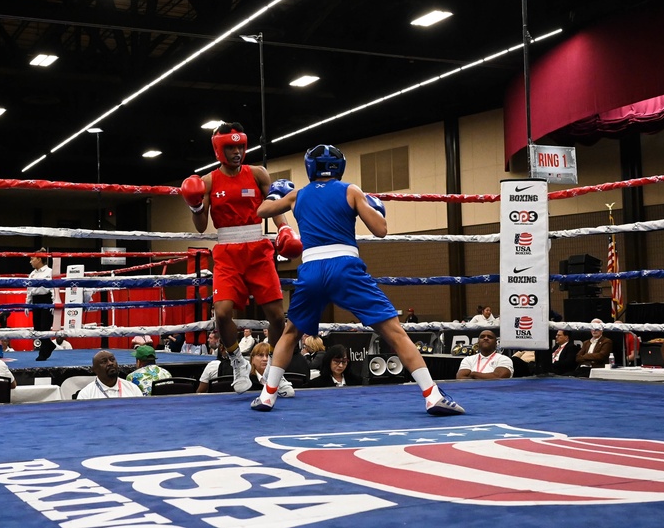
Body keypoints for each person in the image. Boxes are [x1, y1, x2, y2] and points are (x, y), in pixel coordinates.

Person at [252, 143, 464, 415]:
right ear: (340, 168)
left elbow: (261, 213)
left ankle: (267, 396)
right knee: (395, 333)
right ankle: (432, 395)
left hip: (312, 268)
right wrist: (374, 208)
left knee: (291, 333)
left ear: (309, 168)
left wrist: (274, 194)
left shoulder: (297, 195)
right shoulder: (351, 190)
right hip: (345, 267)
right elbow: (380, 230)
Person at [180, 122, 302, 393]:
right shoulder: (209, 181)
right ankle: (237, 360)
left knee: (277, 316)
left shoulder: (258, 173)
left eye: (240, 146)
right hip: (227, 250)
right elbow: (201, 226)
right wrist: (196, 204)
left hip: (258, 248)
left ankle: (273, 371)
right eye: (230, 147)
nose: (237, 152)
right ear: (218, 149)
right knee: (222, 313)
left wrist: (284, 228)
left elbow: (273, 204)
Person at [26, 248, 56, 361]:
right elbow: (29, 290)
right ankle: (50, 345)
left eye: (32, 259)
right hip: (35, 300)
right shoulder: (32, 274)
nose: (30, 261)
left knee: (44, 327)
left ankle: (43, 353)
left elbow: (53, 288)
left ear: (39, 259)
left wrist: (54, 302)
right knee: (37, 328)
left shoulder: (49, 272)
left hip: (46, 299)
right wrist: (27, 304)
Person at [76, 351, 143, 400]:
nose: (110, 363)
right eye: (104, 362)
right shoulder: (86, 395)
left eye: (112, 359)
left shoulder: (132, 388)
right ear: (95, 370)